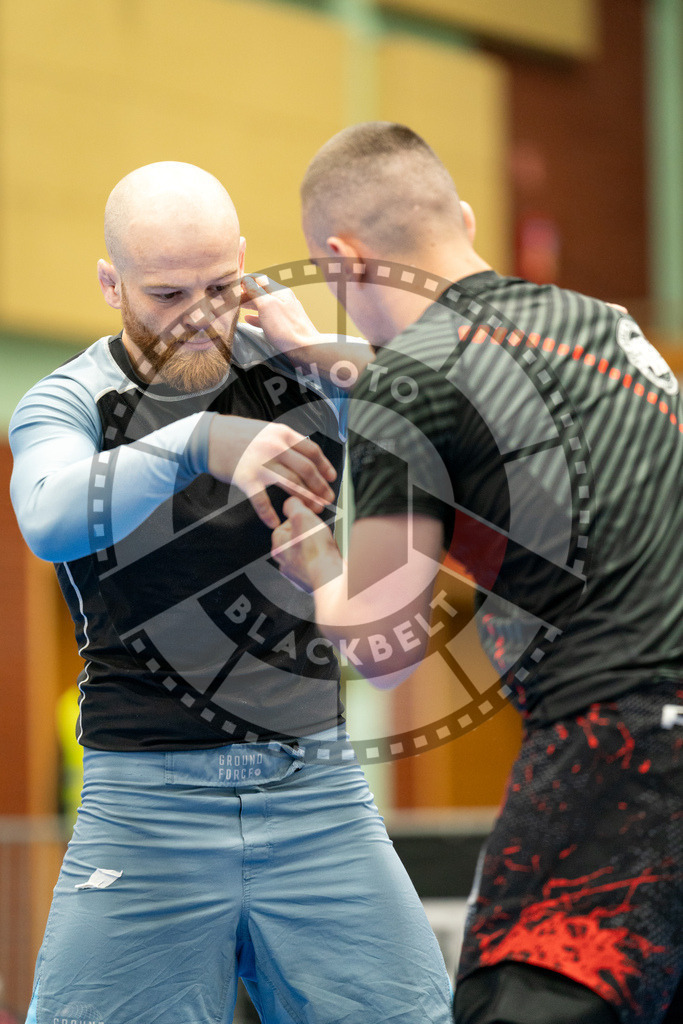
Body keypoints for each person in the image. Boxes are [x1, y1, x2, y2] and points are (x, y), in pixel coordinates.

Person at [9, 160, 453, 1024]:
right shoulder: (73, 399)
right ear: (111, 284)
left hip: (315, 793)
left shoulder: (299, 375)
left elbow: (450, 416)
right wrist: (197, 442)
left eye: (218, 288)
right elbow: (49, 517)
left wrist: (319, 354)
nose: (197, 318)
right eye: (167, 295)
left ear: (245, 262)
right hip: (144, 803)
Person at [266, 123, 683, 1024]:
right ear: (459, 217)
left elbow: (384, 648)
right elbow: (477, 395)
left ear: (342, 259)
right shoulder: (600, 325)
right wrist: (329, 359)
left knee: (509, 1001)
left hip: (622, 747)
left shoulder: (409, 384)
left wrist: (318, 565)